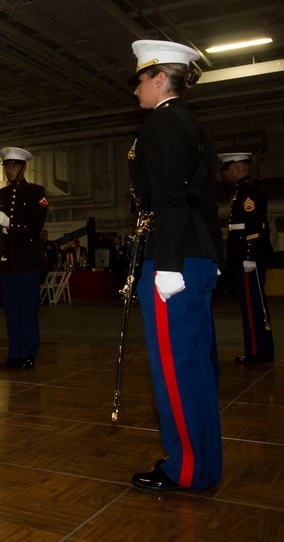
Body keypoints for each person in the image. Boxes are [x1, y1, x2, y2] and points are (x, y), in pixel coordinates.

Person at [126, 39, 223, 492]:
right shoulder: (196, 127)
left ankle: (184, 469)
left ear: (160, 78)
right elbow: (203, 199)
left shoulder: (162, 124)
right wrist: (213, 258)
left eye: (140, 79)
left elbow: (166, 196)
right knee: (198, 368)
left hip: (173, 260)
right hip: (197, 255)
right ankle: (203, 465)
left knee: (175, 369)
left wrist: (166, 266)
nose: (136, 90)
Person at [0, 147, 49, 370]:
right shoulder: (1, 194)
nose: (10, 170)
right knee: (11, 311)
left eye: (14, 166)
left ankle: (29, 353)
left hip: (27, 261)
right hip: (8, 262)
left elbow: (35, 226)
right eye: (7, 166)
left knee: (27, 310)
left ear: (24, 167)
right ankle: (15, 353)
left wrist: (9, 223)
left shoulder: (36, 192)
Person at [220, 152, 274, 364]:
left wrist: (249, 256)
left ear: (237, 168)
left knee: (253, 306)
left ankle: (257, 352)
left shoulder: (248, 191)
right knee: (250, 305)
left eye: (227, 169)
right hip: (244, 259)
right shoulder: (243, 191)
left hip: (248, 260)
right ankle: (258, 350)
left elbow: (253, 225)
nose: (225, 174)